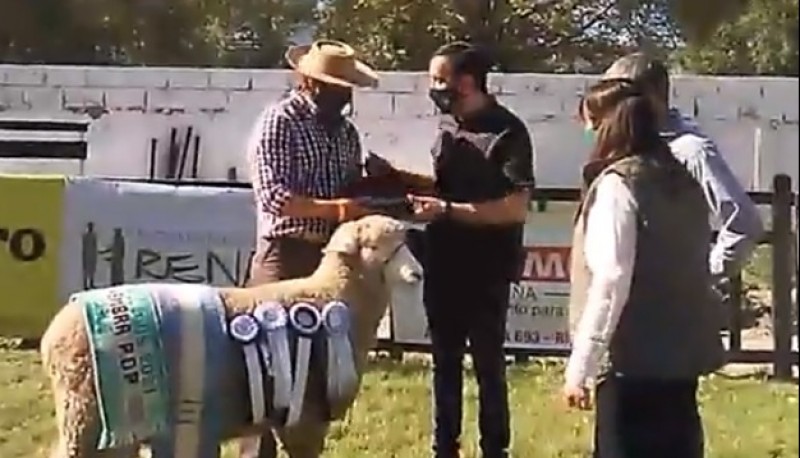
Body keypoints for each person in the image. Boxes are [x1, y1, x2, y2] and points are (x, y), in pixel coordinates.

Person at [369, 42, 535, 458]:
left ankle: (494, 449)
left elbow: (515, 207)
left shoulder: (508, 133)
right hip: (442, 261)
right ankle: (445, 447)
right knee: (444, 364)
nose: (433, 89)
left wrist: (448, 210)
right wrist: (396, 178)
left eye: (438, 80)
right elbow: (442, 189)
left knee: (488, 366)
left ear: (465, 82)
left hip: (487, 270)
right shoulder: (449, 129)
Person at [563, 78, 725, 458]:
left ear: (608, 124)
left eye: (592, 124)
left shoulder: (619, 184)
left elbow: (611, 280)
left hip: (630, 364)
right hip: (680, 357)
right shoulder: (683, 180)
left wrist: (580, 368)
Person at [240, 39, 378, 458]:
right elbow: (275, 197)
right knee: (265, 364)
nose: (344, 94)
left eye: (347, 87)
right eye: (336, 85)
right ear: (308, 82)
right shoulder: (278, 122)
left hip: (330, 261)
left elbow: (352, 183)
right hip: (286, 252)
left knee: (315, 365)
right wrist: (338, 208)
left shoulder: (348, 133)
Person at [601, 53, 764, 288]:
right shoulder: (626, 147)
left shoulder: (690, 150)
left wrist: (702, 275)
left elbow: (744, 222)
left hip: (671, 309)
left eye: (619, 98)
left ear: (650, 98)